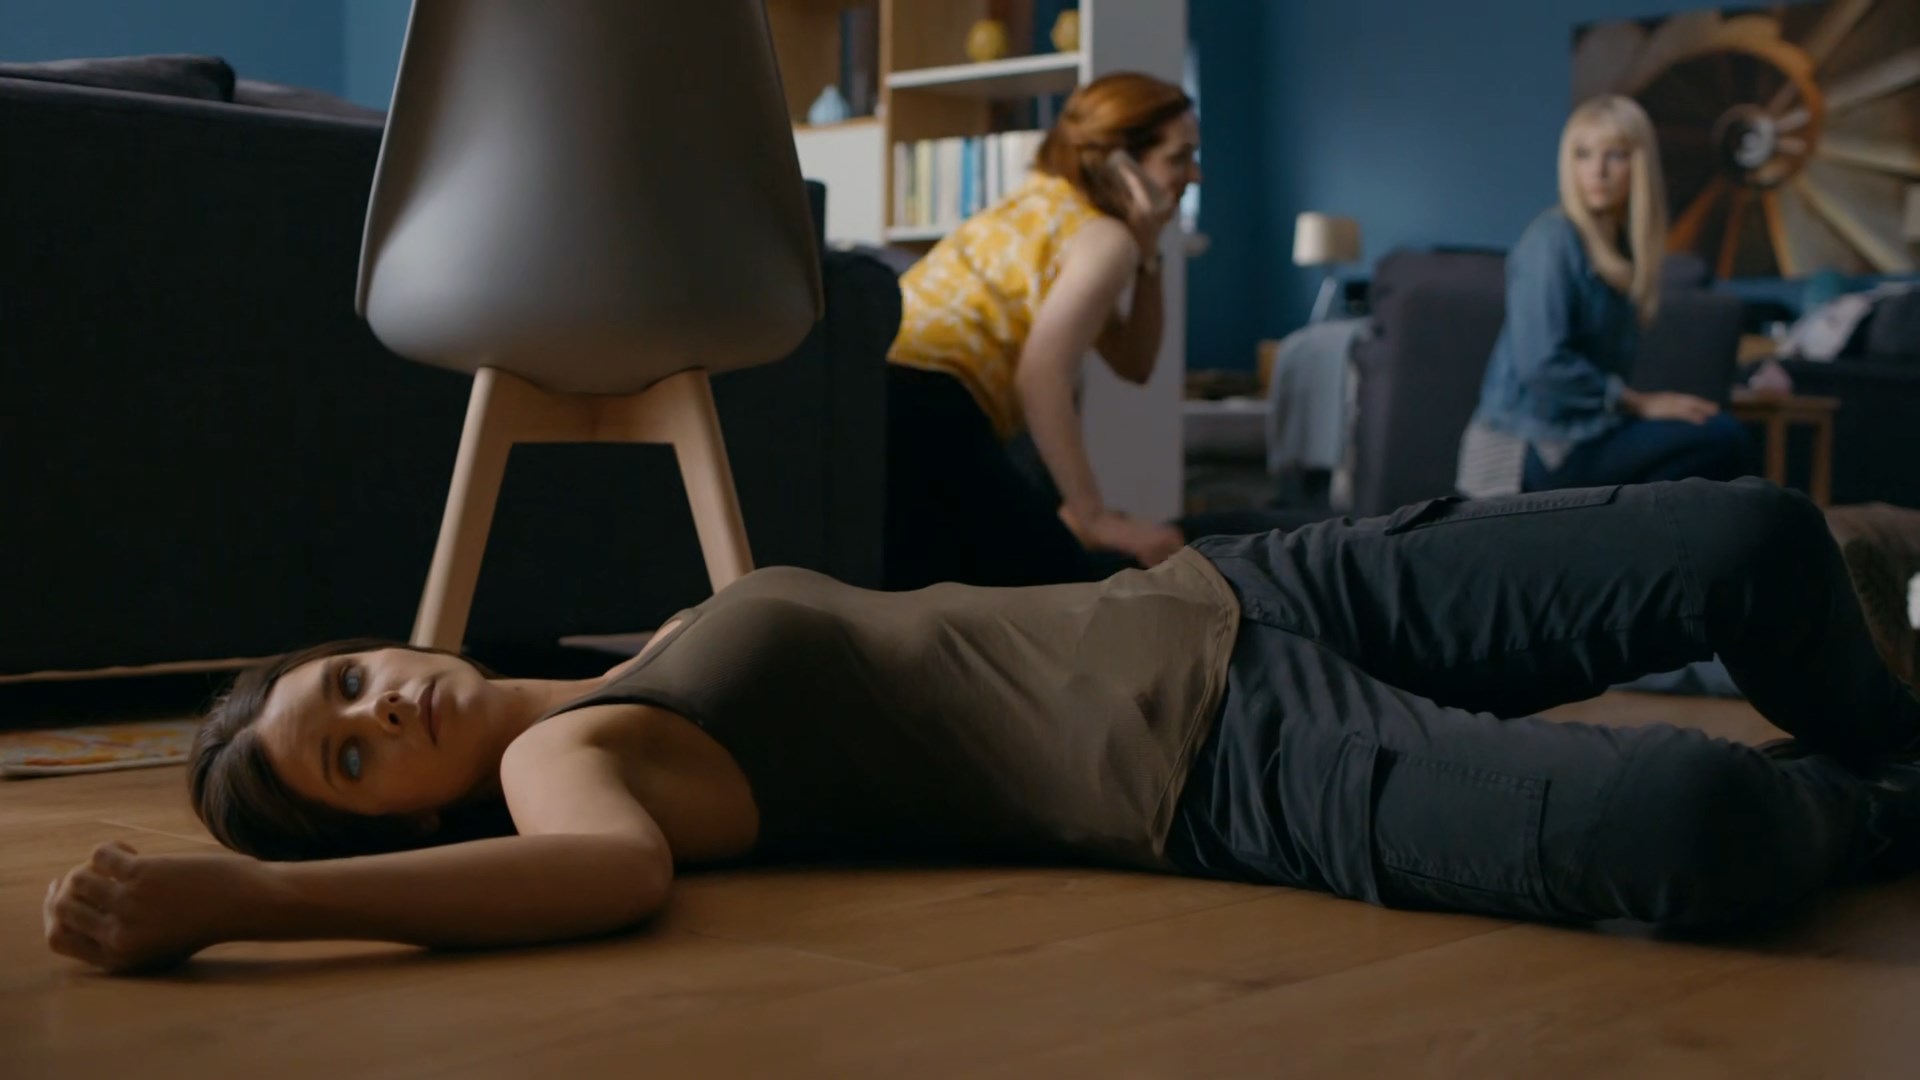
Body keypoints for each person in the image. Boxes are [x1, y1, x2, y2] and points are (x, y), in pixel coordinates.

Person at [41, 478, 1920, 974]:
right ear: (400, 820)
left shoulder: (614, 655)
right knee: (1697, 832)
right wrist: (249, 904)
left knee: (1754, 543)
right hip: (1212, 764)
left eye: (346, 685)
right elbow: (602, 880)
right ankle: (1879, 804)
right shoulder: (567, 765)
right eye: (355, 760)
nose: (384, 707)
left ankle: (1891, 731)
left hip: (1254, 588)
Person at [884, 72, 1200, 590]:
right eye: (1179, 158)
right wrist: (1094, 517)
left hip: (882, 401)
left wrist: (1148, 250)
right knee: (1069, 586)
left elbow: (1135, 363)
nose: (1195, 175)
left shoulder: (1038, 204)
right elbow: (1042, 374)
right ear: (1121, 163)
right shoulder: (1102, 239)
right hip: (926, 407)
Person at [1457, 95, 1754, 498]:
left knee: (1712, 434)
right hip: (1530, 447)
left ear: (1639, 165)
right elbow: (1542, 365)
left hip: (1584, 432)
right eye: (1583, 154)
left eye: (1615, 155)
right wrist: (1640, 403)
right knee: (1722, 439)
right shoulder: (1553, 238)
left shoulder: (1620, 250)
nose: (1598, 171)